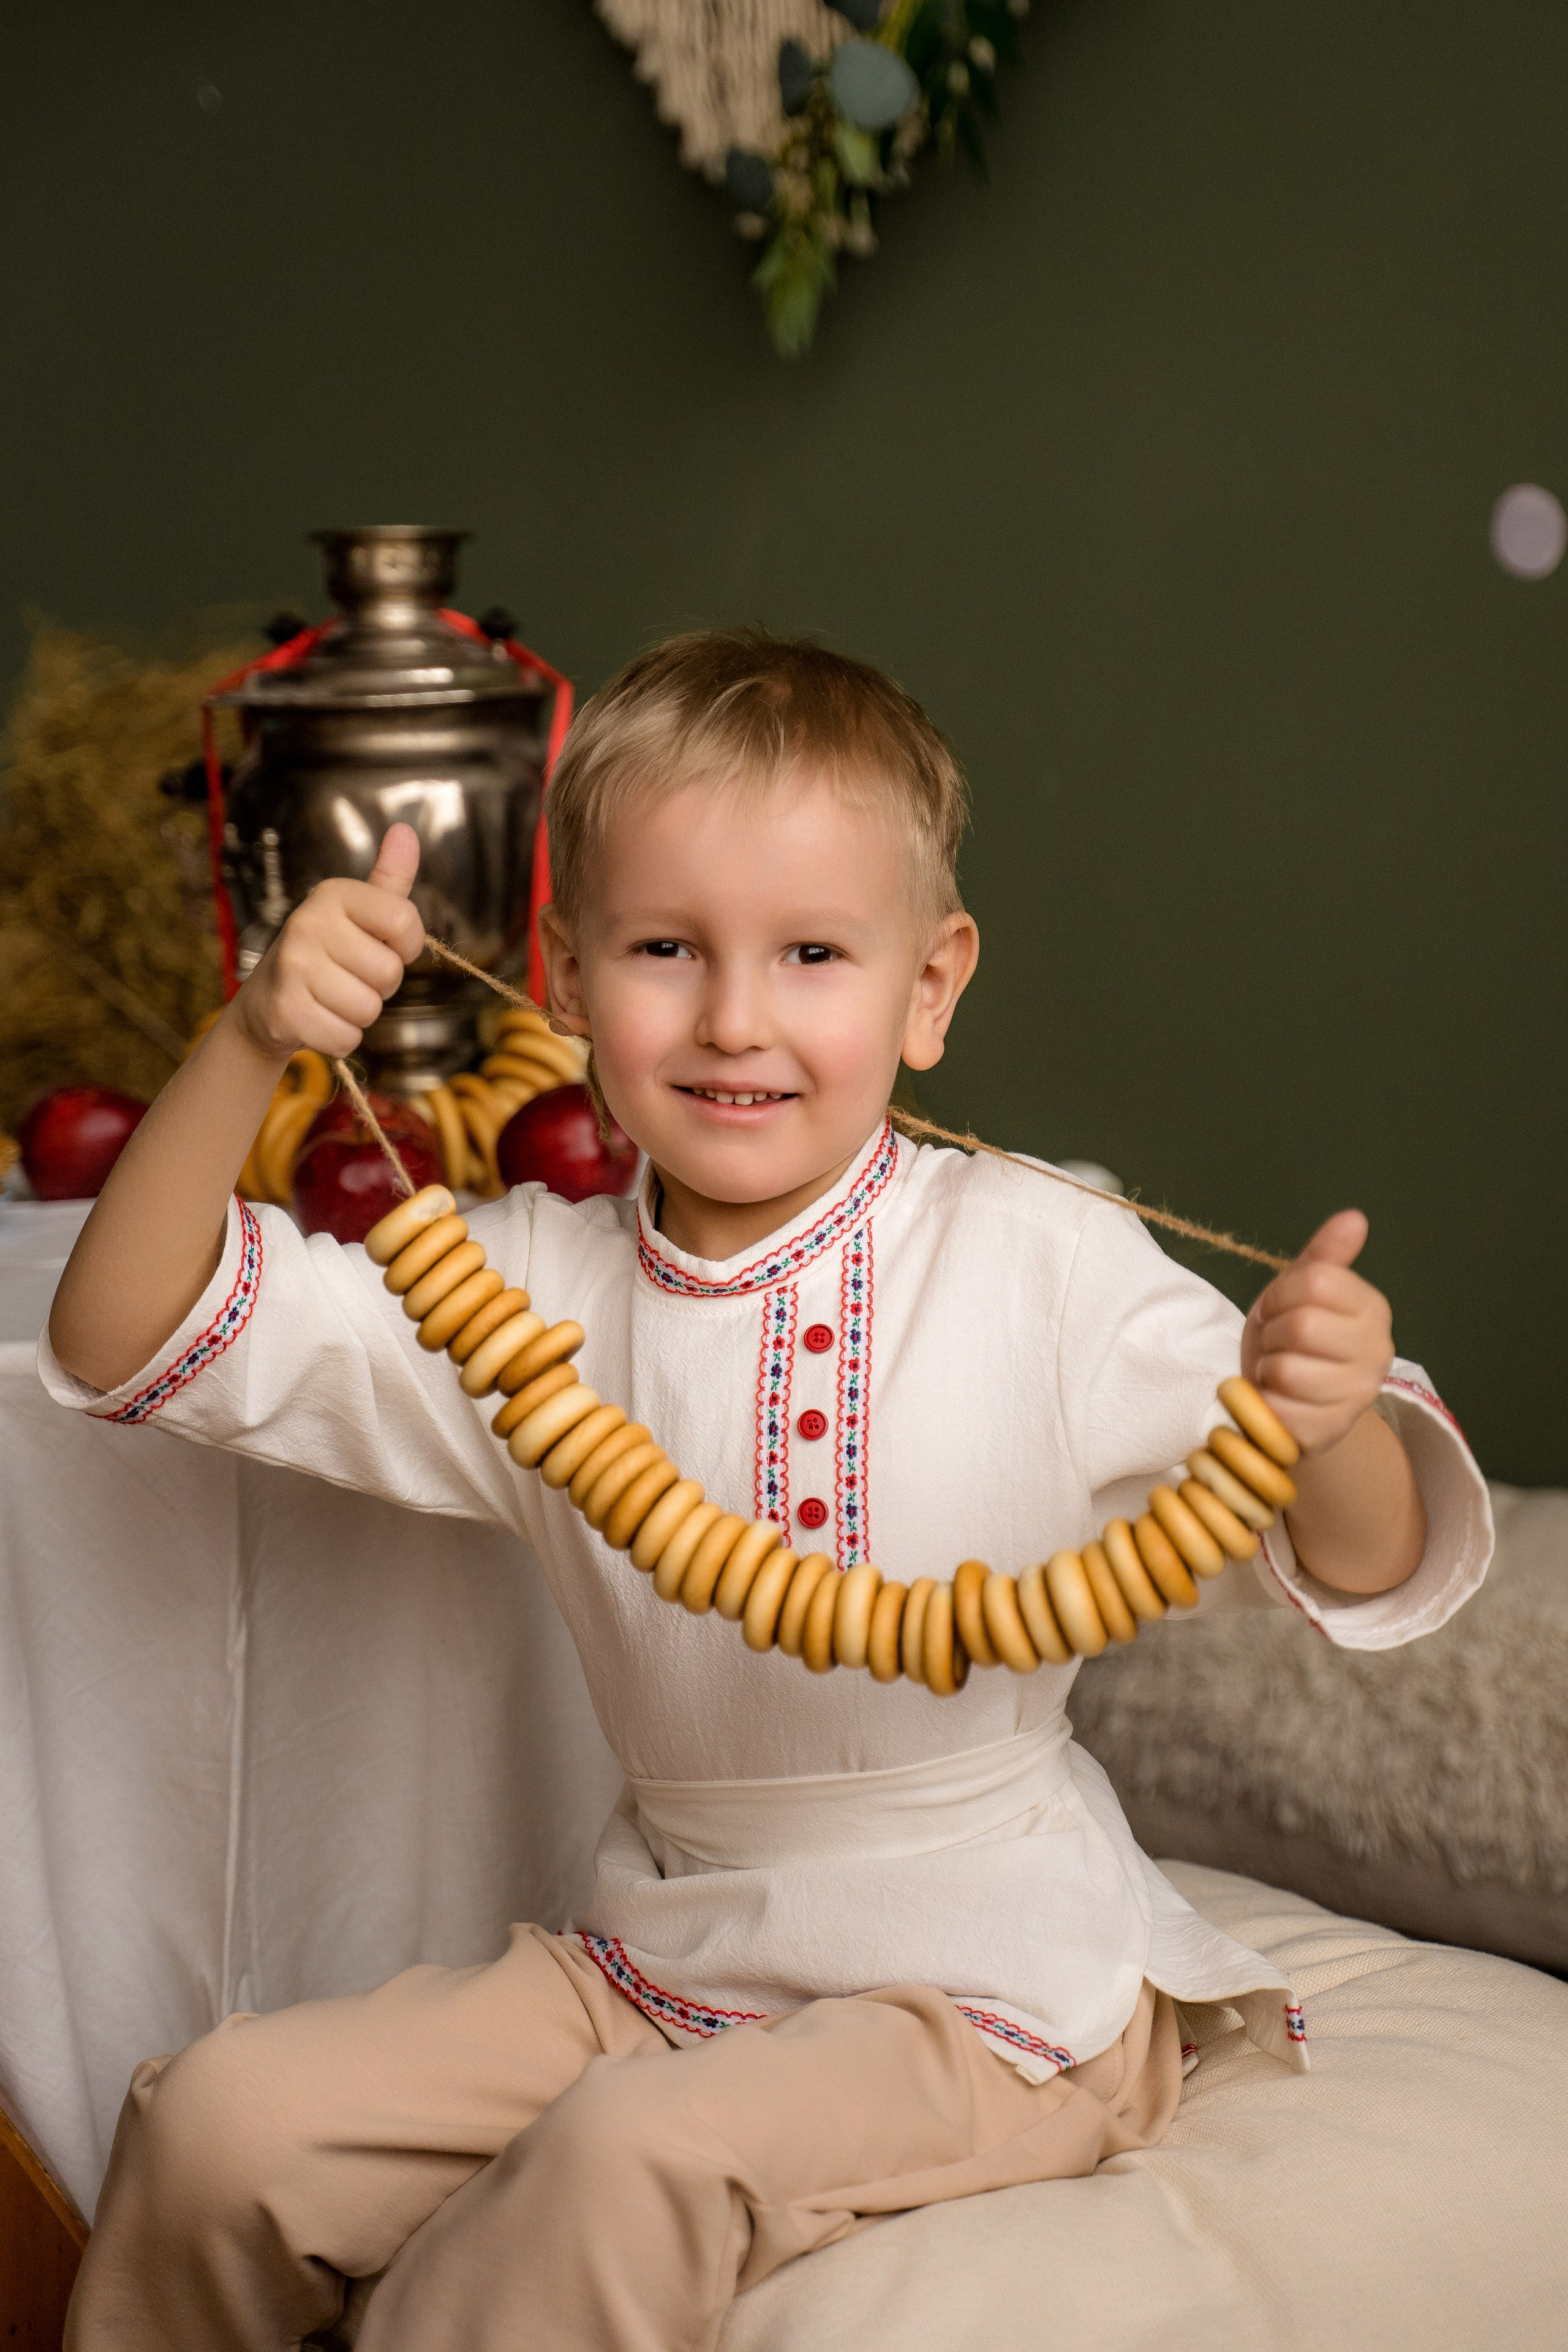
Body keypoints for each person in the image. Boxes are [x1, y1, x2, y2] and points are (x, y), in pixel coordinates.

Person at [45, 628, 1491, 2352]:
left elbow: (1372, 1557)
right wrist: (254, 1038)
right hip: (662, 1962)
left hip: (988, 1992)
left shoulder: (1042, 1263)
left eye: (813, 953)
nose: (736, 1019)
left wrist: (1325, 1416)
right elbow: (120, 1328)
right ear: (566, 981)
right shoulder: (525, 1288)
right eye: (668, 950)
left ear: (931, 987)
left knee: (623, 2162)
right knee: (222, 2127)